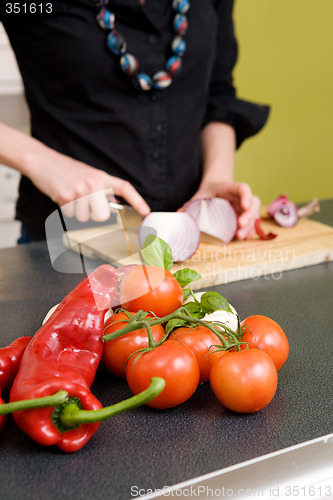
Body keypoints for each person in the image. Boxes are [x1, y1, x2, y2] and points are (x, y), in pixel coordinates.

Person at [0, 0, 269, 243]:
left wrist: (217, 178)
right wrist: (43, 162)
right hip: (66, 243)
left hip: (190, 241)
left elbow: (217, 93)